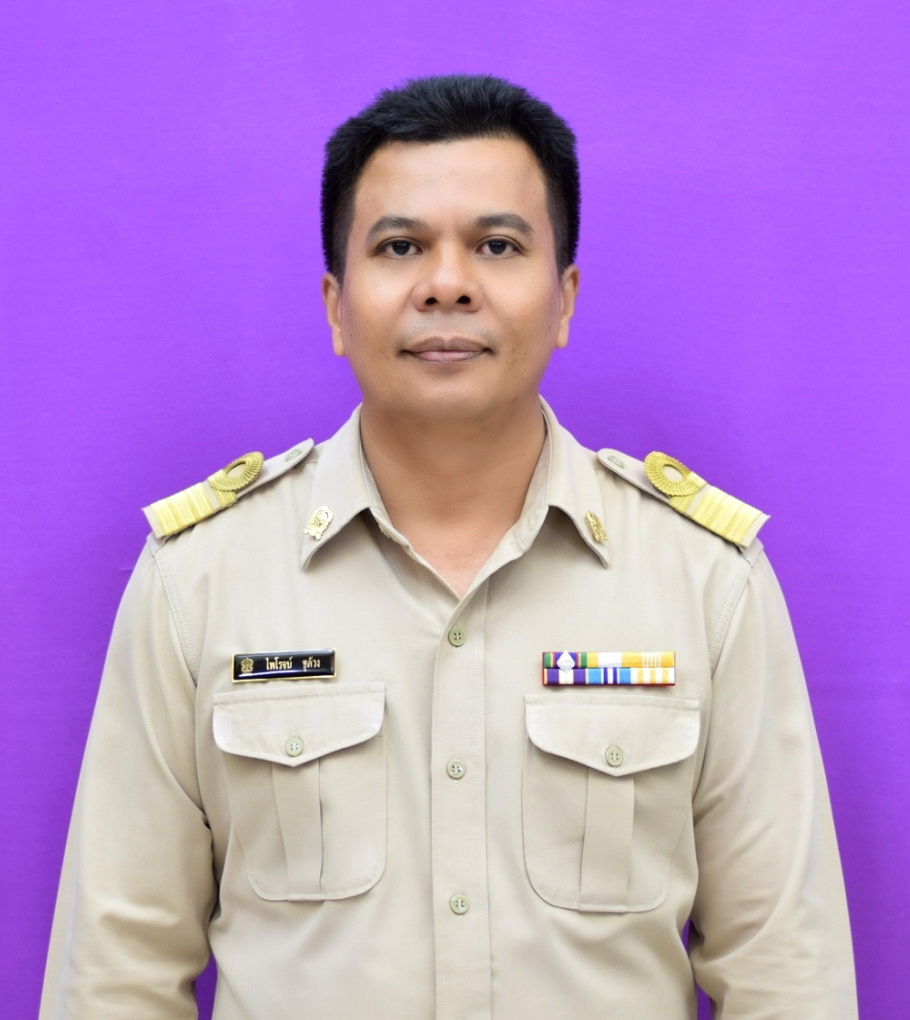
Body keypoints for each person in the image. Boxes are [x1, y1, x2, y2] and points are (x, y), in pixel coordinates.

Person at [41, 75, 856, 1019]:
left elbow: (786, 972)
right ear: (336, 306)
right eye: (400, 247)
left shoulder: (704, 578)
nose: (447, 283)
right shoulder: (200, 578)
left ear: (564, 299)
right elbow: (117, 972)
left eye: (497, 245)